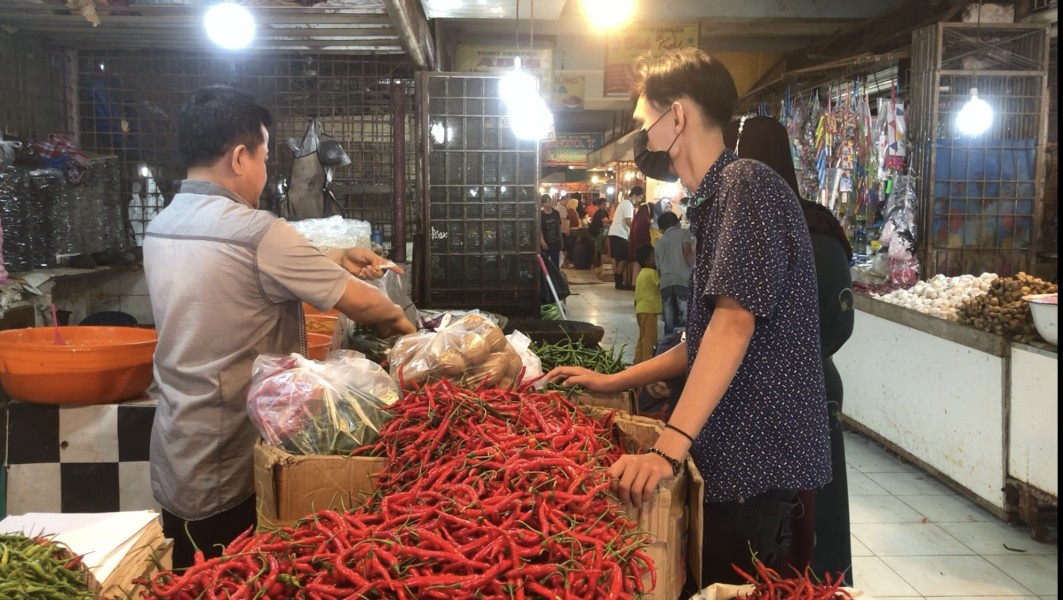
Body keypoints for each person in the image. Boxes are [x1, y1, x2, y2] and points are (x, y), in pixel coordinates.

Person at [546, 48, 831, 587]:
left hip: (756, 459)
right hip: (736, 456)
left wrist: (666, 449)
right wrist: (615, 380)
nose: (643, 140)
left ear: (676, 117)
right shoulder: (718, 197)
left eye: (643, 123)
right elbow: (700, 339)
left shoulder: (745, 185)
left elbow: (733, 326)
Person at [143, 85, 416, 570]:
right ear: (241, 157)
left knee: (189, 573)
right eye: (266, 157)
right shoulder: (255, 230)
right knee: (235, 576)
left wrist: (334, 257)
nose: (267, 171)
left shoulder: (164, 224)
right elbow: (364, 305)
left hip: (178, 442)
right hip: (231, 455)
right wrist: (413, 334)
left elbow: (243, 271)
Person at [724, 115, 855, 585]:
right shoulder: (821, 223)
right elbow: (842, 320)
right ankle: (826, 588)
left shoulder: (751, 228)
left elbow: (733, 324)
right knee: (822, 506)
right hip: (820, 383)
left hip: (762, 393)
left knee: (772, 520)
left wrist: (773, 363)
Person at [654, 211, 693, 336]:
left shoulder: (659, 243)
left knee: (669, 320)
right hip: (682, 280)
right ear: (676, 223)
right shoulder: (683, 233)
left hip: (665, 283)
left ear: (661, 228)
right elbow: (687, 253)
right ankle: (683, 345)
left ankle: (668, 344)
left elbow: (658, 268)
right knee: (685, 318)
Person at [633, 244, 661, 364]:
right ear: (646, 260)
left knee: (642, 338)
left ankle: (637, 362)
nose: (656, 259)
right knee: (650, 339)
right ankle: (647, 364)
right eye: (653, 256)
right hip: (649, 310)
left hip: (640, 310)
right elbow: (661, 285)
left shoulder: (641, 273)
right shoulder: (651, 273)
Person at [607, 186, 636, 290]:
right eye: (640, 197)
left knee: (615, 258)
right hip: (620, 234)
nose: (639, 200)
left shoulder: (623, 203)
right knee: (623, 258)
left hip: (613, 232)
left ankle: (617, 281)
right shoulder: (628, 204)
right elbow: (628, 220)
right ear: (635, 195)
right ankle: (619, 282)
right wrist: (635, 229)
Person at [627, 188, 652, 283]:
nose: (640, 199)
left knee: (636, 263)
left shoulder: (638, 219)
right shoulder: (645, 221)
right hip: (641, 247)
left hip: (635, 248)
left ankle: (634, 284)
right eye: (640, 197)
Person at [539, 194, 563, 268]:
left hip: (556, 242)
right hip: (546, 242)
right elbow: (539, 229)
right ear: (543, 204)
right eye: (548, 202)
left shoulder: (556, 213)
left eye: (550, 201)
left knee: (555, 263)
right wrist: (542, 242)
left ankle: (555, 278)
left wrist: (561, 241)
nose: (550, 203)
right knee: (545, 264)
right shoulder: (541, 215)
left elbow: (559, 227)